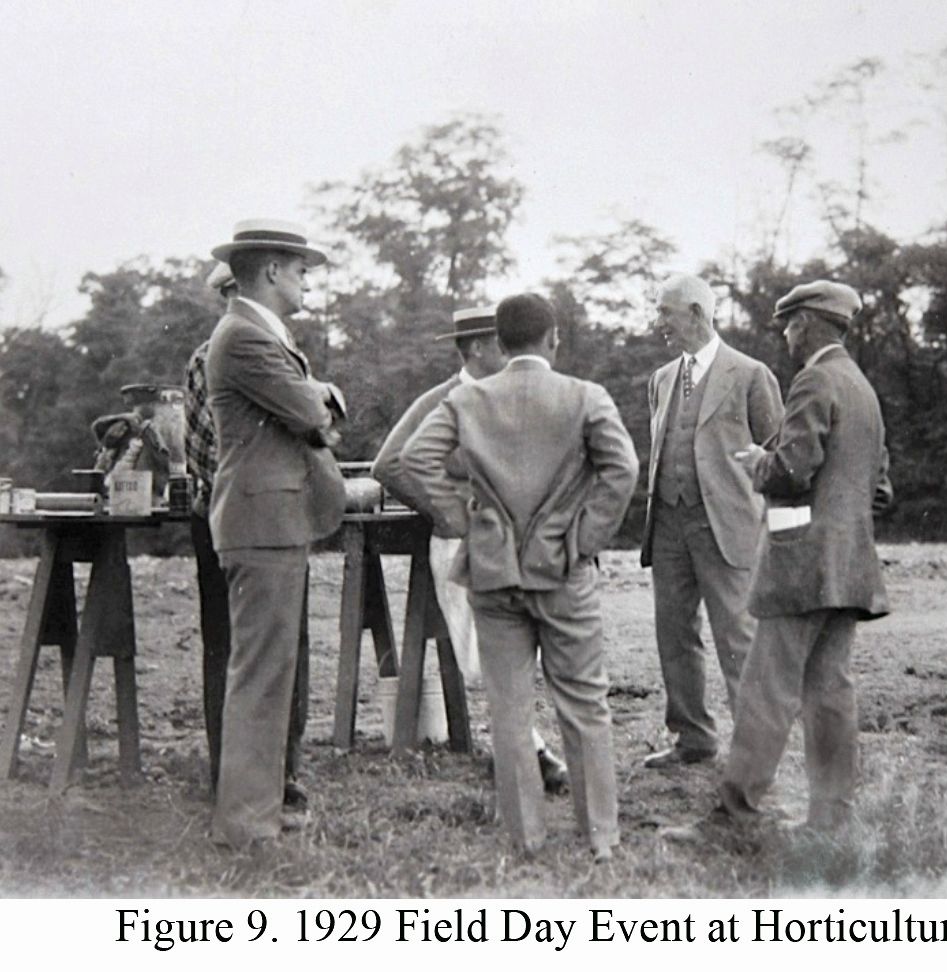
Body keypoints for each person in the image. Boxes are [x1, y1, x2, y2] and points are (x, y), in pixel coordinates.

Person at [398, 293, 638, 862]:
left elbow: (412, 460)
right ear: (553, 339)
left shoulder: (467, 398)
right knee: (584, 702)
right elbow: (622, 468)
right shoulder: (586, 396)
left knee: (509, 708)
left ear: (500, 345)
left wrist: (461, 519)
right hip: (563, 571)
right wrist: (584, 537)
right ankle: (600, 837)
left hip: (492, 571)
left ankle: (525, 837)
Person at [668, 280, 891, 839]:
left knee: (765, 689)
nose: (787, 337)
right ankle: (830, 816)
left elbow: (794, 469)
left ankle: (734, 816)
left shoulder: (815, 379)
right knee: (830, 691)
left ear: (811, 324)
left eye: (790, 325)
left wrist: (757, 462)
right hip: (851, 564)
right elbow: (880, 490)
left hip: (800, 563)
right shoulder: (861, 386)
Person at [371, 305, 568, 791]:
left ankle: (522, 749)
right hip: (465, 548)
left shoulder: (516, 396)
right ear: (476, 349)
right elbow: (390, 463)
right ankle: (527, 753)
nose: (509, 352)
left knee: (525, 650)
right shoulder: (443, 400)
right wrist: (447, 513)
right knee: (484, 656)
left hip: (518, 545)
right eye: (499, 344)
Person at [205, 219, 347, 846]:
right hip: (261, 523)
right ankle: (244, 825)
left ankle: (254, 816)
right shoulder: (243, 337)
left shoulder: (254, 334)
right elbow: (312, 413)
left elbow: (309, 413)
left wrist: (314, 399)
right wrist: (321, 395)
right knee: (262, 677)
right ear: (269, 272)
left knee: (267, 674)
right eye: (300, 268)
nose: (306, 279)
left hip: (272, 521)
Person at [640, 274, 783, 769]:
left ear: (697, 314)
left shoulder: (749, 374)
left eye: (666, 313)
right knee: (674, 634)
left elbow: (781, 456)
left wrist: (779, 528)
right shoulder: (660, 380)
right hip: (669, 528)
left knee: (738, 638)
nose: (658, 323)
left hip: (728, 527)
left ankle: (755, 748)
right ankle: (693, 738)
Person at [185, 262, 308, 806]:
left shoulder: (258, 348)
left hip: (240, 515)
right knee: (239, 650)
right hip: (233, 518)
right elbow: (214, 454)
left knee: (270, 649)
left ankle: (275, 773)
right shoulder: (223, 354)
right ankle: (244, 777)